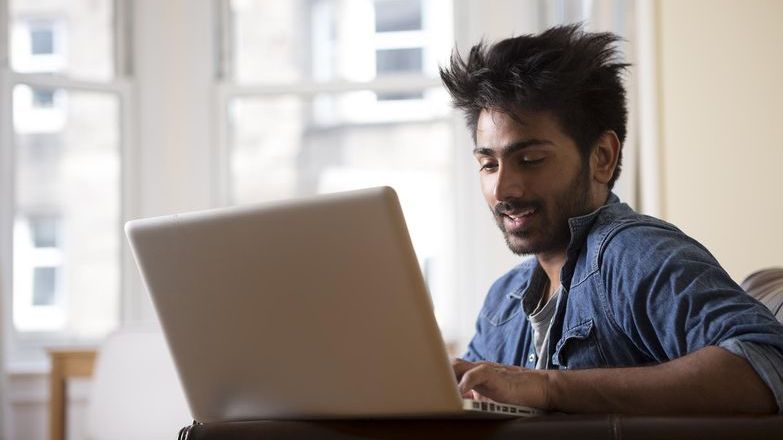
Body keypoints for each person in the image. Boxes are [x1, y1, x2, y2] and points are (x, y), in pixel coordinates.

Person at [439, 24, 783, 414]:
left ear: (602, 156)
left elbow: (767, 366)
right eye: (488, 164)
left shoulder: (633, 255)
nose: (503, 190)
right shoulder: (503, 301)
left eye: (530, 160)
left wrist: (548, 387)